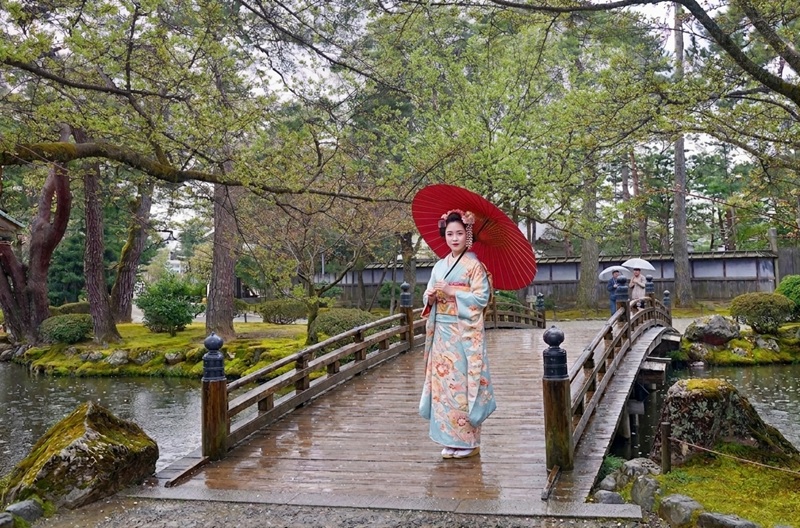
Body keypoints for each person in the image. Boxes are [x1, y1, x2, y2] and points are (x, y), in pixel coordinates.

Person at [419, 209, 496, 460]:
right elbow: (428, 293)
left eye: (459, 233)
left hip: (463, 333)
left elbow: (481, 298)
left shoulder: (474, 266)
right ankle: (447, 438)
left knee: (463, 385)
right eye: (450, 233)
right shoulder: (440, 265)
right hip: (442, 332)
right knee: (443, 386)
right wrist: (430, 297)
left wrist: (454, 292)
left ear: (468, 235)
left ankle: (468, 441)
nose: (454, 238)